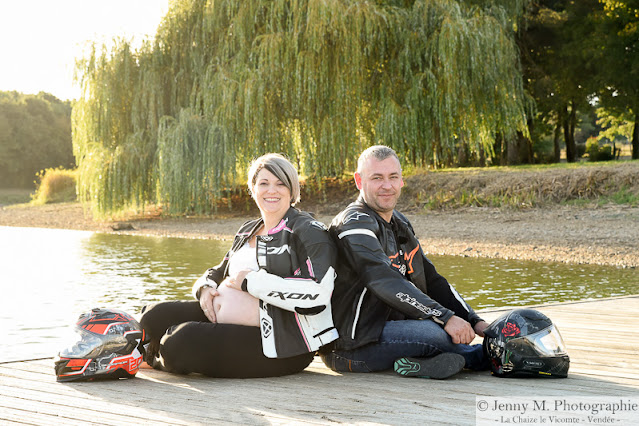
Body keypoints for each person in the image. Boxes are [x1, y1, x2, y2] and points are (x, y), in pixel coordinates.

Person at [140, 153, 338, 378]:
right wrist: (204, 289)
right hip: (222, 318)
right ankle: (151, 353)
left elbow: (318, 294)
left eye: (280, 184)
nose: (271, 190)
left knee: (180, 342)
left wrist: (251, 282)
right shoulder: (248, 229)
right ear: (253, 189)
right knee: (153, 316)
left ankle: (159, 357)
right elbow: (219, 269)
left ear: (292, 190)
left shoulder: (308, 231)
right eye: (263, 183)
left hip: (281, 343)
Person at [320, 145, 489, 379]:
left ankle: (415, 363)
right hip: (350, 346)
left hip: (387, 330)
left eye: (393, 177)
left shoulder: (399, 222)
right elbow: (383, 279)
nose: (386, 185)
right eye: (377, 178)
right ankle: (486, 357)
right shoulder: (353, 224)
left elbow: (432, 279)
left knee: (434, 326)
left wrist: (474, 320)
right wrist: (445, 318)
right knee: (435, 333)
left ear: (402, 181)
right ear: (359, 181)